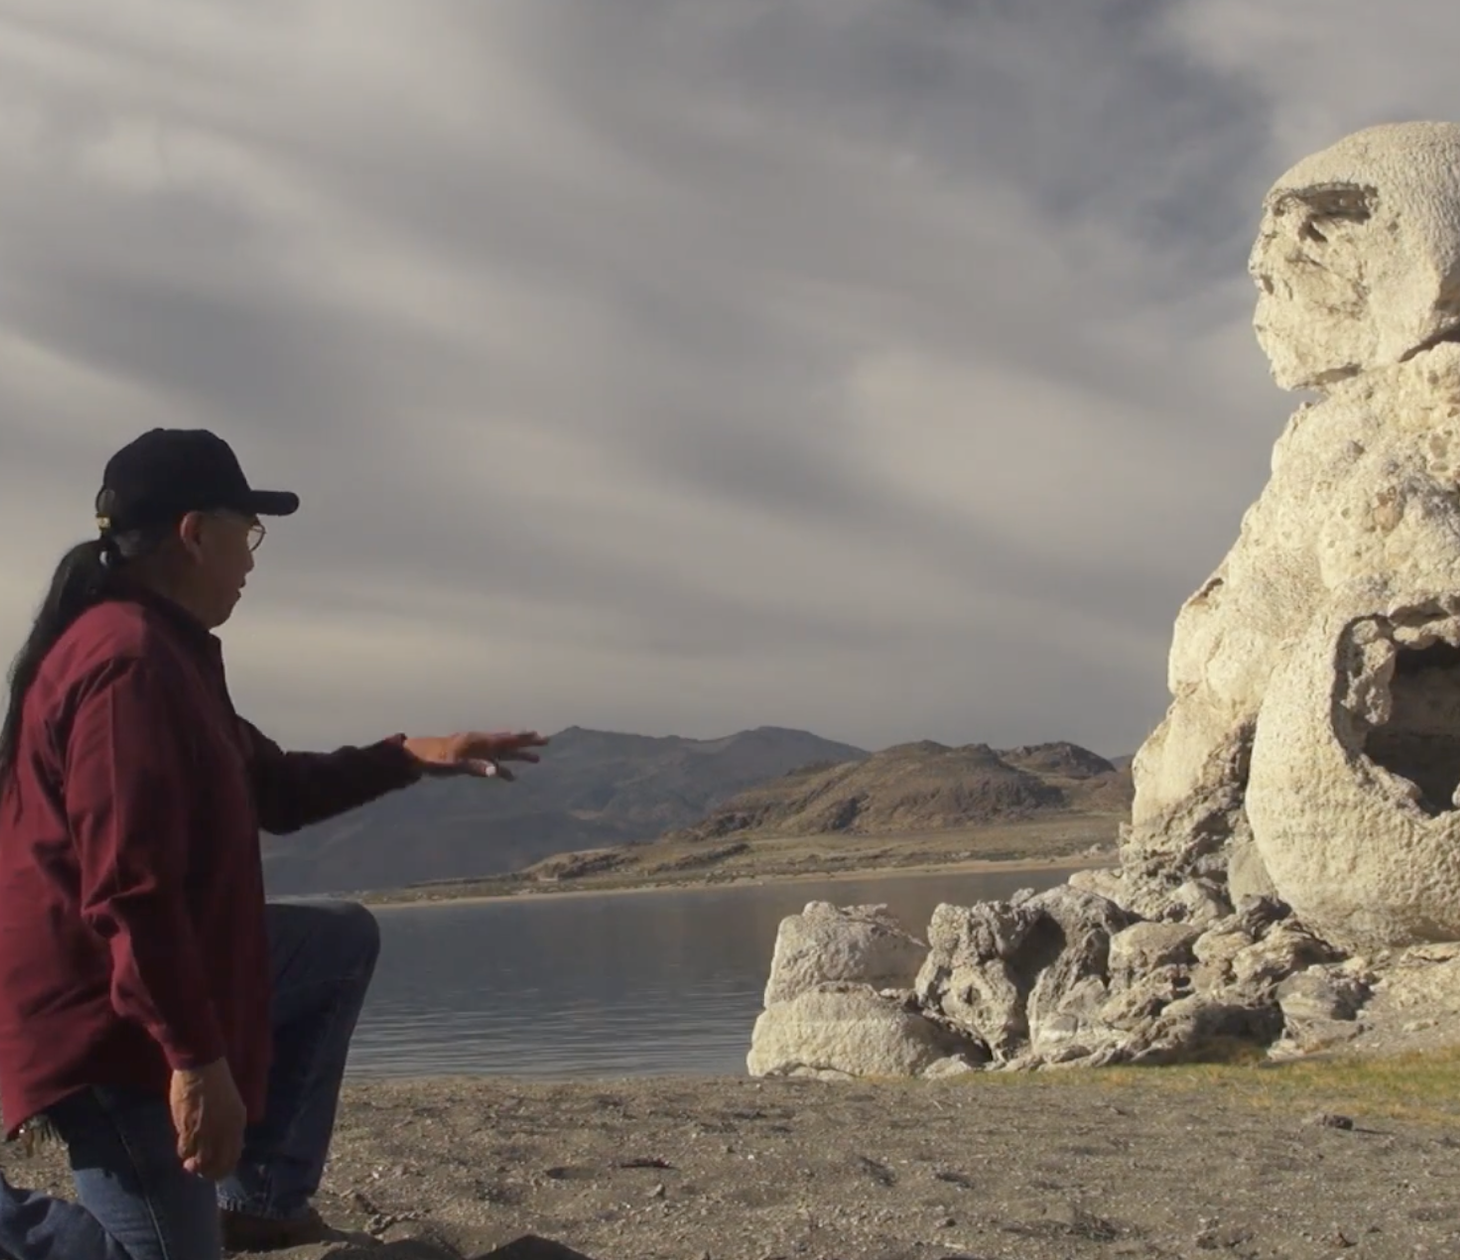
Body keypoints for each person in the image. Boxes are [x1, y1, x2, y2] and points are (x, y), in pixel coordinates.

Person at [0, 429, 547, 1259]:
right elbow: (129, 890)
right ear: (193, 534)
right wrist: (194, 1060)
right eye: (246, 532)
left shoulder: (168, 656)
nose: (252, 560)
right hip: (103, 1019)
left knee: (332, 942)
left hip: (140, 982)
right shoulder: (129, 666)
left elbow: (277, 790)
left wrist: (409, 757)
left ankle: (261, 1203)